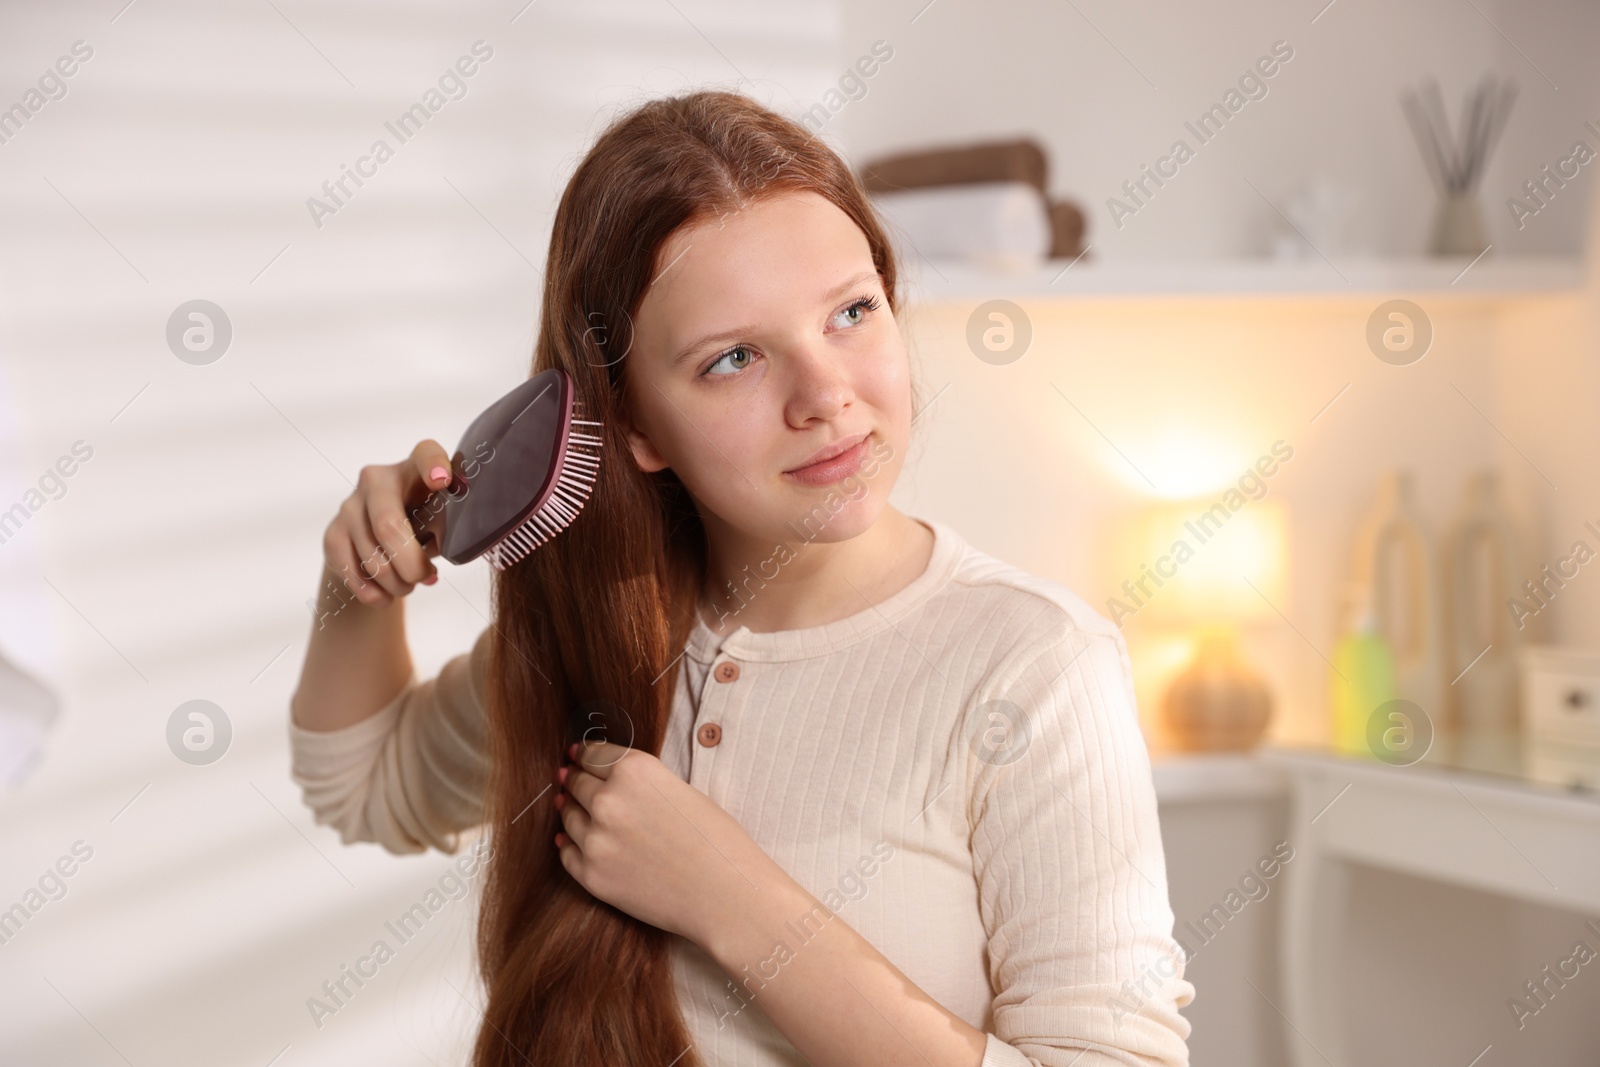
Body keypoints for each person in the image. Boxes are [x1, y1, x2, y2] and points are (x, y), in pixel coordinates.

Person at [288, 88, 1193, 1067]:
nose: (826, 394)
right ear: (631, 424)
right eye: (732, 359)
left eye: (852, 310)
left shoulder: (1033, 667)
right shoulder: (599, 625)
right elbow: (368, 787)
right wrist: (364, 576)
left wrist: (735, 902)